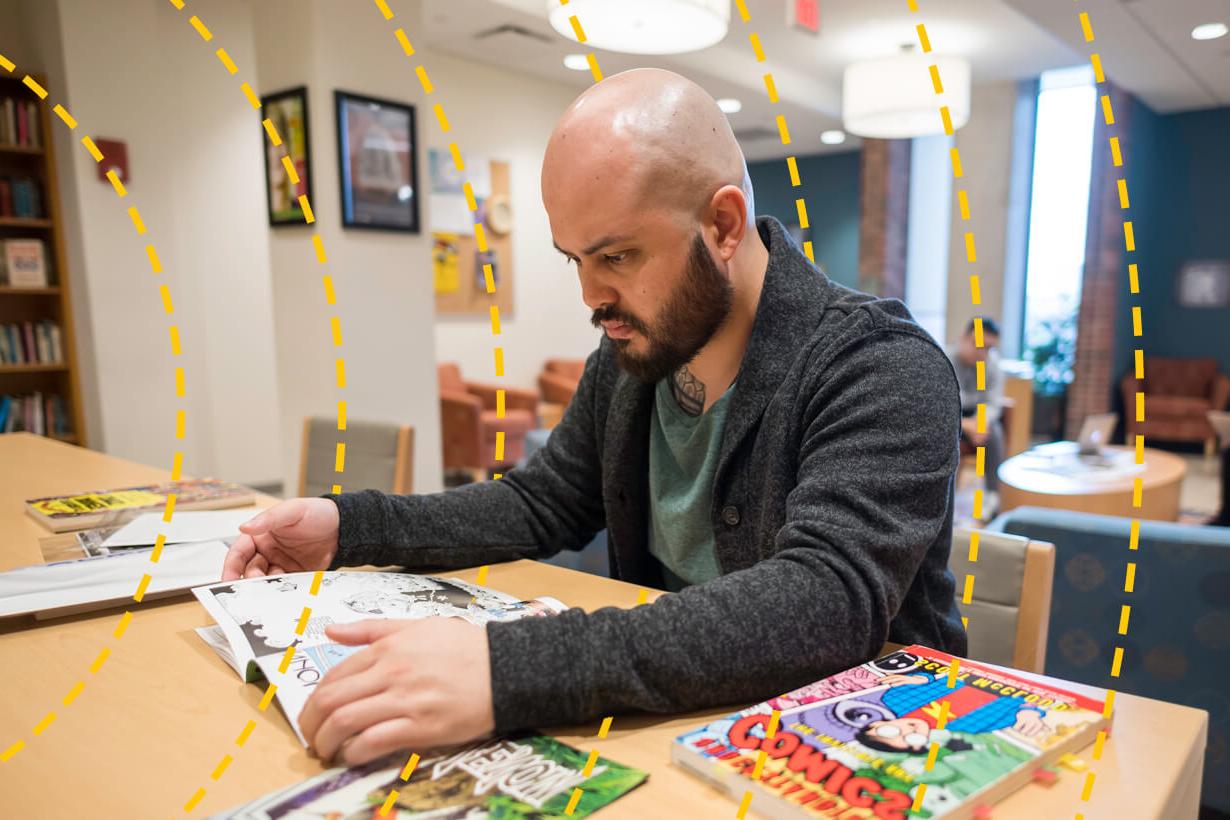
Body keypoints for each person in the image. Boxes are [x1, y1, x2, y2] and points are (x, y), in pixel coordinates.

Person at [222, 68, 966, 767]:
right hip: (681, 720)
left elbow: (826, 600)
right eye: (574, 259)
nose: (591, 296)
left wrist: (508, 669)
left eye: (616, 256)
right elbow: (540, 500)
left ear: (724, 224)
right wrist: (351, 527)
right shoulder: (633, 354)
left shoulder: (881, 366)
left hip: (869, 743)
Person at [949, 318, 1004, 494]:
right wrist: (965, 424)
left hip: (978, 418)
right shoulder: (945, 360)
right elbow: (939, 406)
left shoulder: (992, 366)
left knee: (994, 432)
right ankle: (946, 497)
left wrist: (980, 422)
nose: (983, 353)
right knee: (945, 433)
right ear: (963, 338)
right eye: (978, 344)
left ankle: (992, 496)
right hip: (950, 417)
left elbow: (993, 403)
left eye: (989, 348)